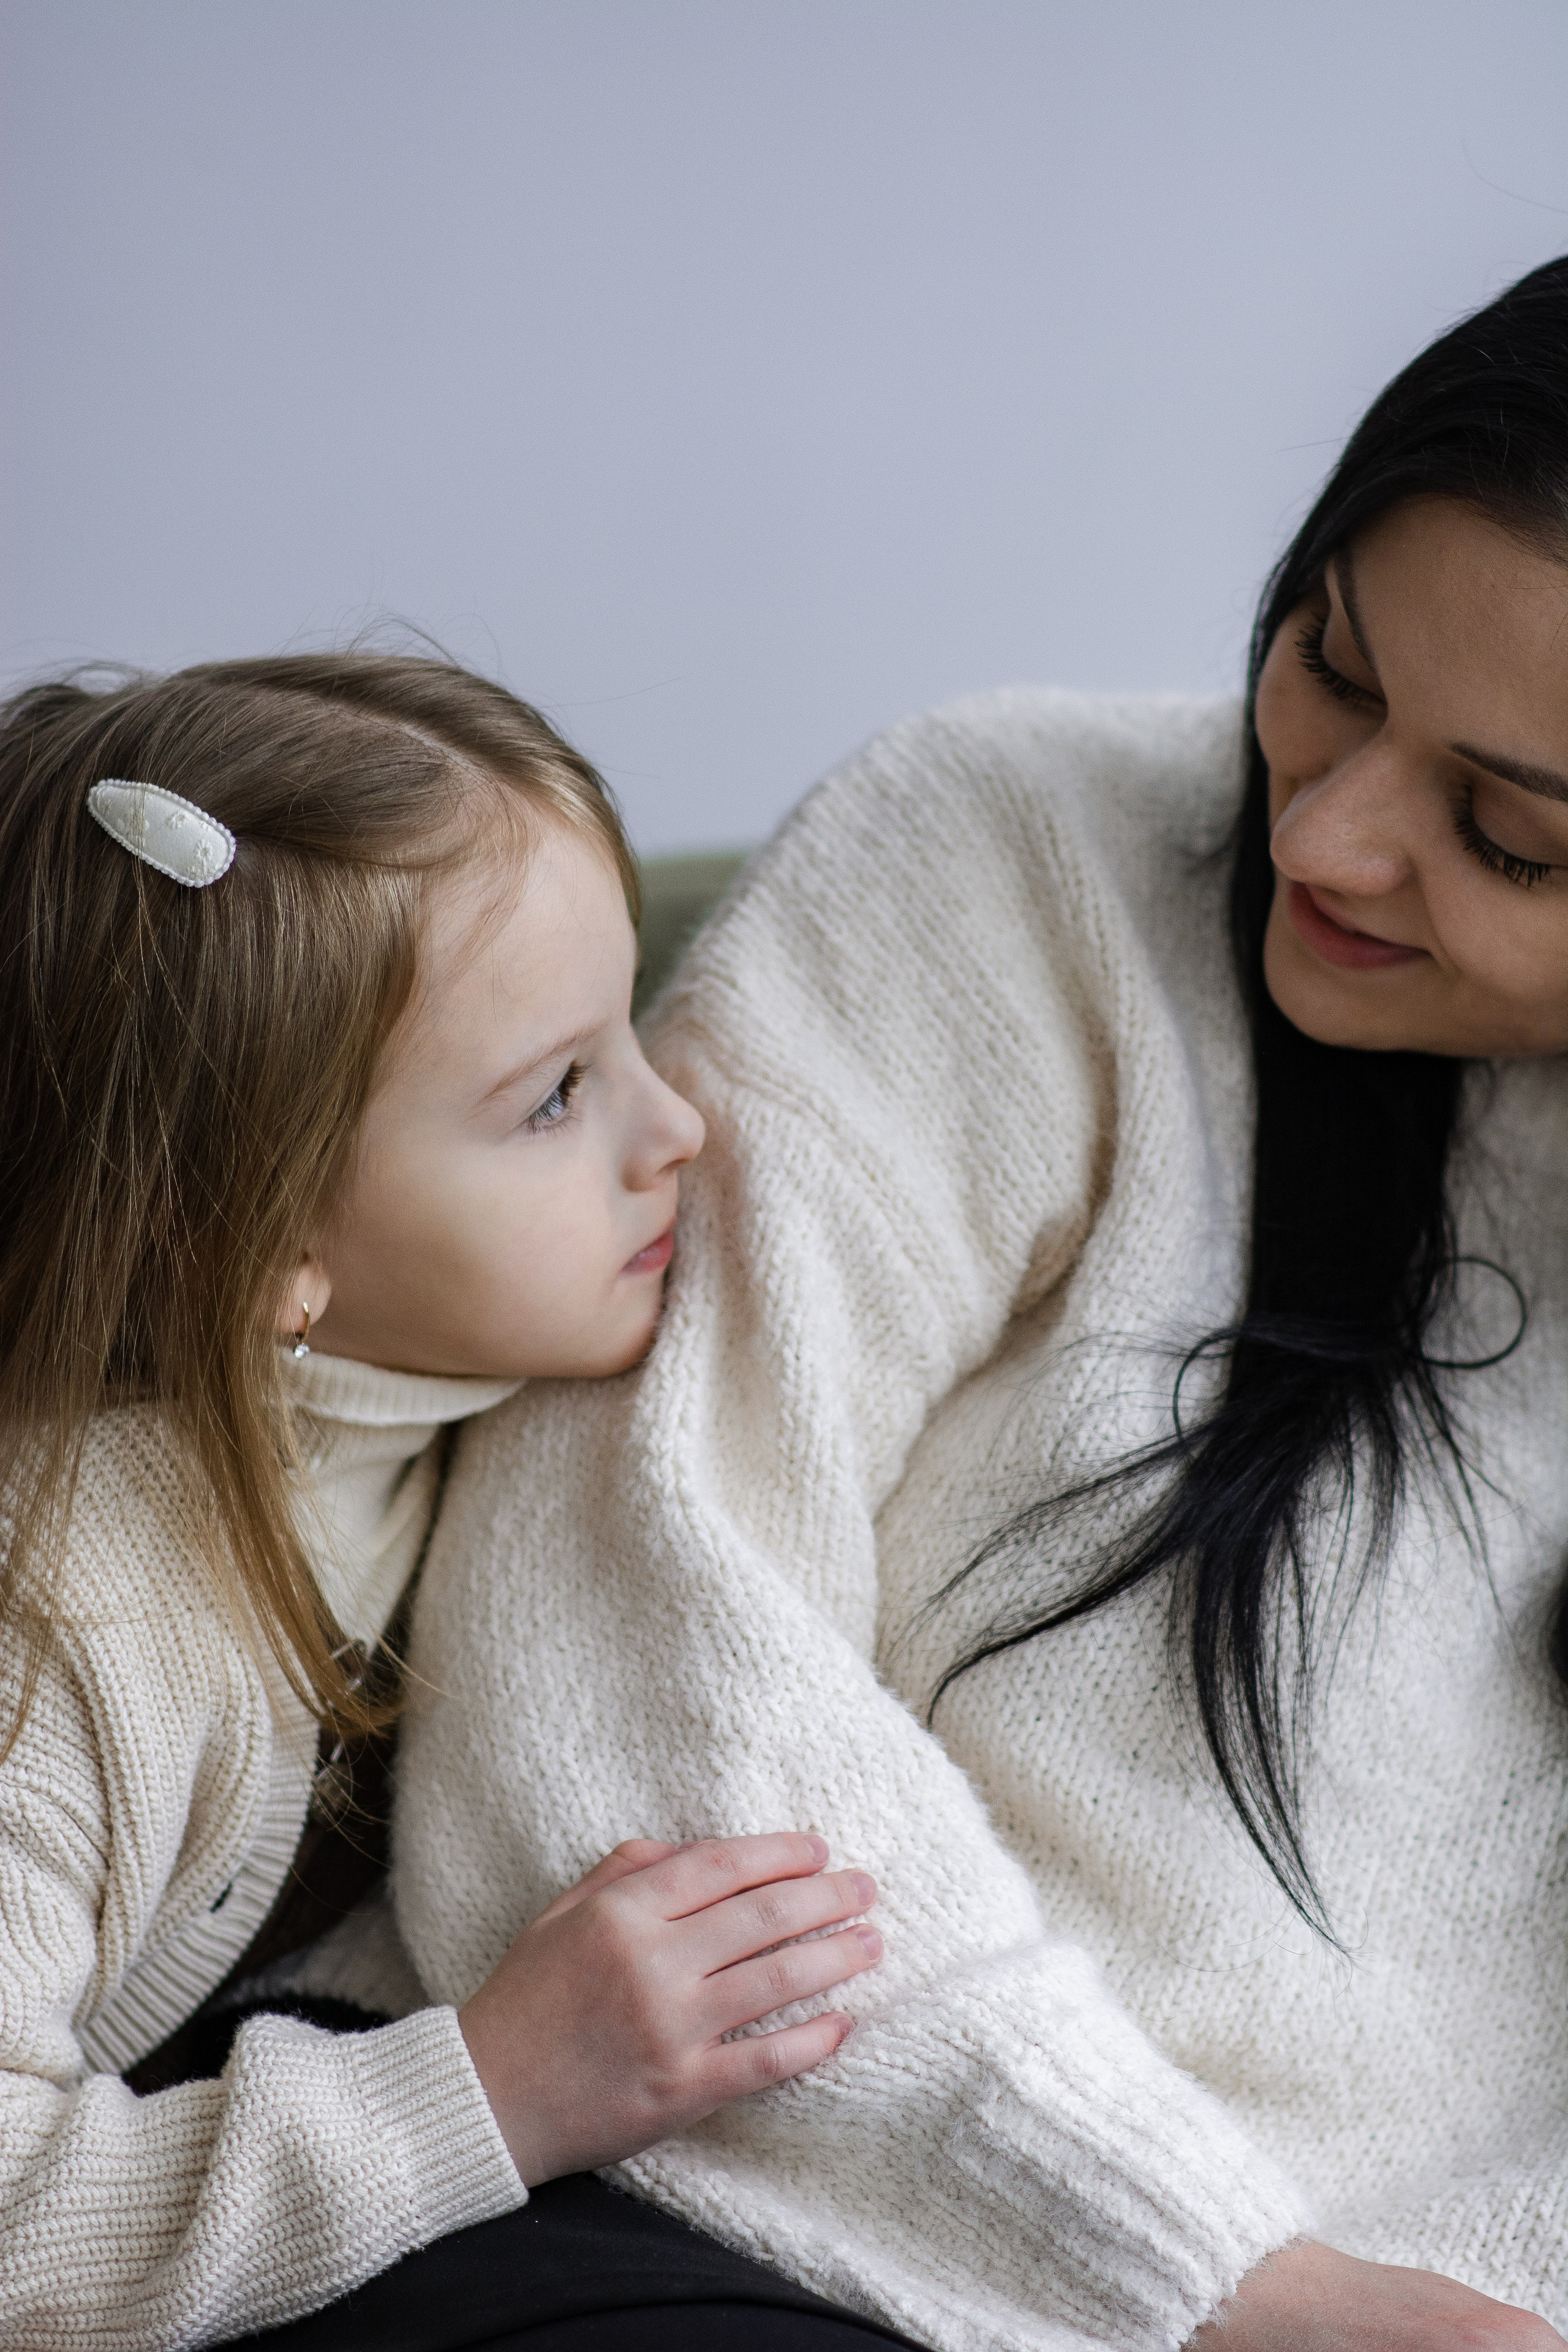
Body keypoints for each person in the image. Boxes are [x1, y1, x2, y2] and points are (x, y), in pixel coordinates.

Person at [394, 255, 1568, 2352]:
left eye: (1507, 835)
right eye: (1330, 658)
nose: (1327, 832)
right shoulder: (1011, 856)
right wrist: (1214, 2276)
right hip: (683, 2207)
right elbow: (619, 1621)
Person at [0, 654, 899, 2350]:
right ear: (257, 1246)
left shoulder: (436, 1379)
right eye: (557, 1095)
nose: (680, 1127)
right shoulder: (64, 1630)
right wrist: (491, 2087)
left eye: (631, 1029)